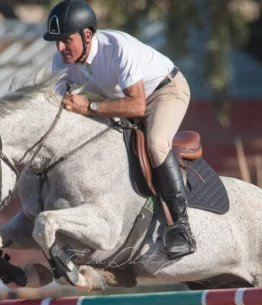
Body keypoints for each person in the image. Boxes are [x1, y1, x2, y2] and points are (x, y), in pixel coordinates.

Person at [43, 0, 196, 261]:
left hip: (164, 91)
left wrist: (89, 107)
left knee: (156, 142)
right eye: (56, 41)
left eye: (66, 40)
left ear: (87, 35)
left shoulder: (116, 49)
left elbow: (137, 106)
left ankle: (181, 227)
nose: (60, 48)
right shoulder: (61, 61)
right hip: (122, 101)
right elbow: (56, 107)